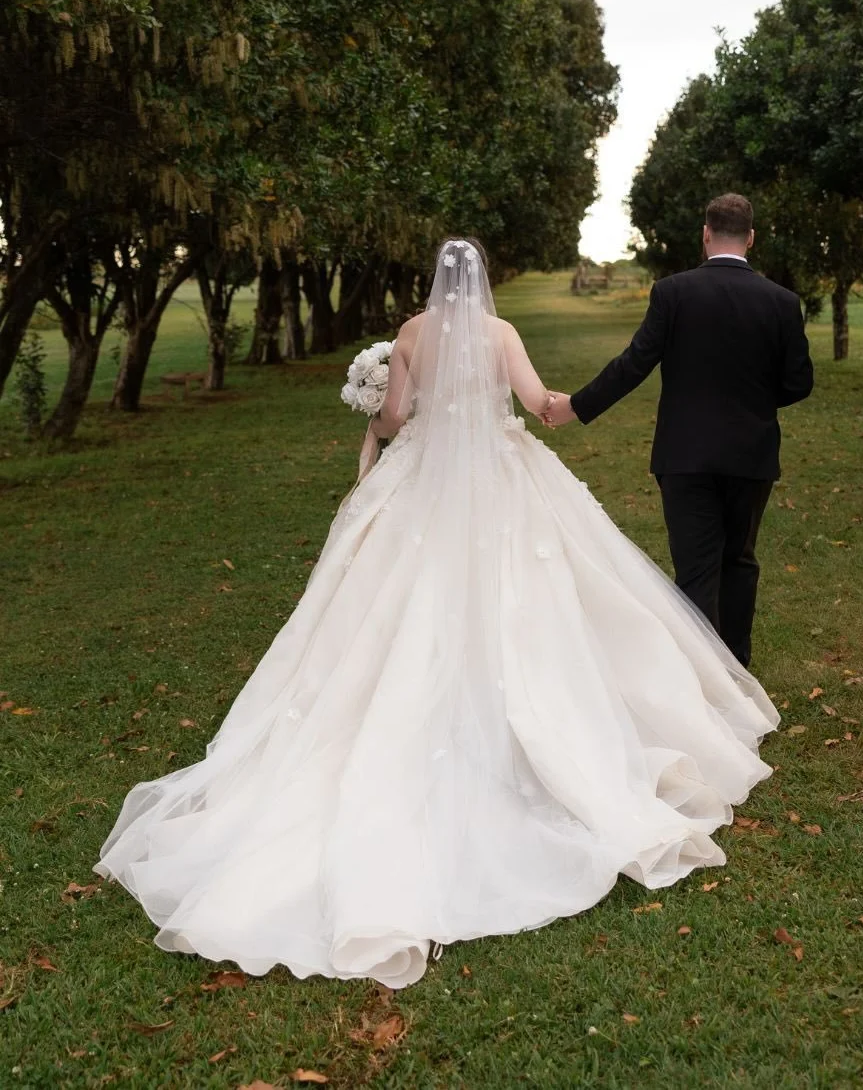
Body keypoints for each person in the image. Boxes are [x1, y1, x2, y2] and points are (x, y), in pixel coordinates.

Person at [94, 237, 778, 989]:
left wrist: (373, 410)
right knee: (542, 598)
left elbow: (395, 416)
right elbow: (532, 401)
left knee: (389, 603)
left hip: (420, 484)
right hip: (502, 479)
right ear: (483, 280)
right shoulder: (501, 335)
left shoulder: (413, 335)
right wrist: (561, 410)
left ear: (434, 281)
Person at [545, 194, 814, 669]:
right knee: (740, 560)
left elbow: (634, 365)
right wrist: (751, 403)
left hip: (684, 454)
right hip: (751, 455)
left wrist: (575, 407)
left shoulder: (672, 292)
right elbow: (798, 384)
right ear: (751, 238)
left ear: (706, 234)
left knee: (695, 569)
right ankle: (736, 672)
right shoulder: (783, 302)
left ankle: (698, 682)